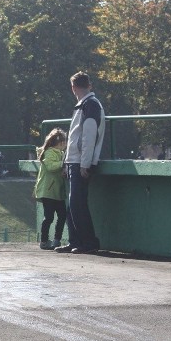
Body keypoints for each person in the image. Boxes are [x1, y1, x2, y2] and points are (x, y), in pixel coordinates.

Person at [55, 71, 105, 254]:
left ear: (73, 87)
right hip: (74, 162)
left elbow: (88, 137)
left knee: (77, 204)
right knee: (74, 204)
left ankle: (89, 242)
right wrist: (67, 162)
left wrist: (85, 164)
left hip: (80, 163)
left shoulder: (89, 105)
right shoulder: (85, 105)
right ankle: (76, 240)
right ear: (89, 85)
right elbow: (82, 137)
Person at [34, 128, 67, 250]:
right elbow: (51, 167)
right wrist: (63, 164)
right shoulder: (49, 152)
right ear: (60, 142)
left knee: (62, 215)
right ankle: (44, 240)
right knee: (49, 217)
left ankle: (56, 240)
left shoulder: (61, 154)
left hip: (58, 191)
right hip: (48, 191)